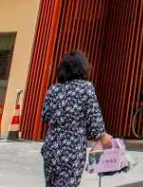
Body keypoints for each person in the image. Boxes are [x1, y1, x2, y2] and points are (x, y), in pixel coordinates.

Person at [41, 51, 112, 187]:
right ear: (82, 68)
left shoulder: (53, 89)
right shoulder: (86, 88)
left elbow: (45, 116)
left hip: (51, 146)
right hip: (73, 148)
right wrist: (103, 136)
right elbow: (94, 117)